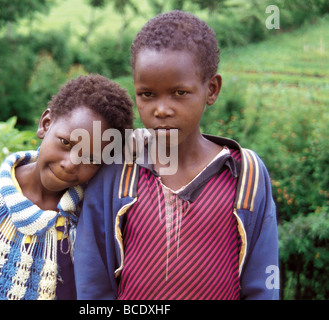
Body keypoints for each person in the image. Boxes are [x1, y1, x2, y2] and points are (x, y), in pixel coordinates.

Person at [74, 11, 279, 300]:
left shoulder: (246, 175)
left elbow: (262, 281)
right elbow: (92, 279)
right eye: (147, 95)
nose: (161, 109)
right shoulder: (117, 170)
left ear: (212, 89)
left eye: (179, 93)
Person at [0, 74, 134, 300]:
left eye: (90, 158)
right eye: (66, 143)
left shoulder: (92, 213)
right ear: (45, 124)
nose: (70, 164)